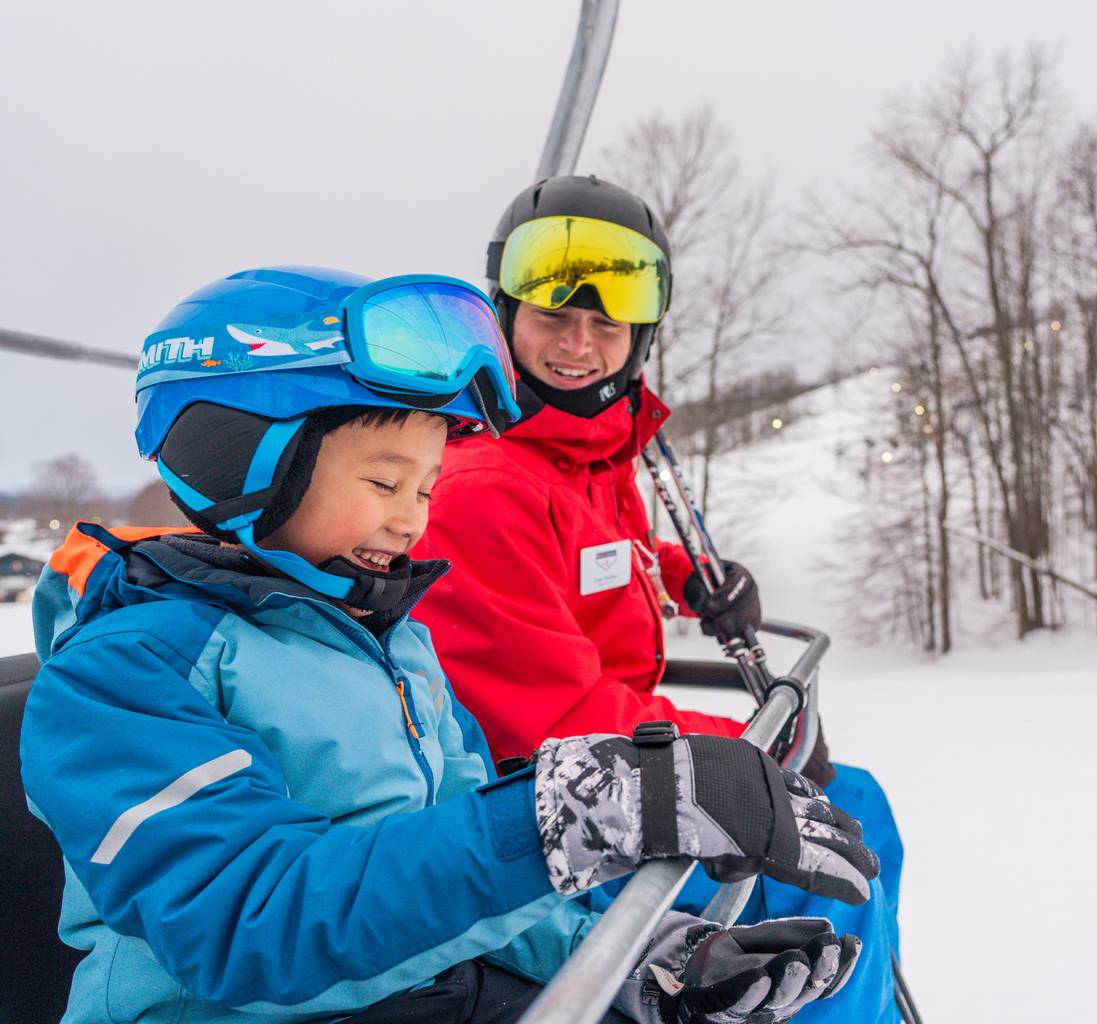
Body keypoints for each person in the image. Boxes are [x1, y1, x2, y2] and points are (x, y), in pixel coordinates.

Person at [19, 266, 877, 1024]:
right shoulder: (122, 675)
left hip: (440, 992)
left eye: (425, 486)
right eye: (384, 481)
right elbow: (254, 922)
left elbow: (462, 870)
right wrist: (575, 816)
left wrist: (648, 959)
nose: (413, 518)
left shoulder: (393, 646)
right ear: (243, 456)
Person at [413, 177, 906, 1022]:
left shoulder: (583, 457)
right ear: (503, 316)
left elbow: (596, 560)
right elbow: (555, 715)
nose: (581, 343)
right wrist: (759, 748)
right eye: (553, 317)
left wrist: (689, 576)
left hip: (614, 754)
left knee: (852, 812)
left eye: (608, 323)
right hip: (554, 808)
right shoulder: (485, 485)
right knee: (846, 817)